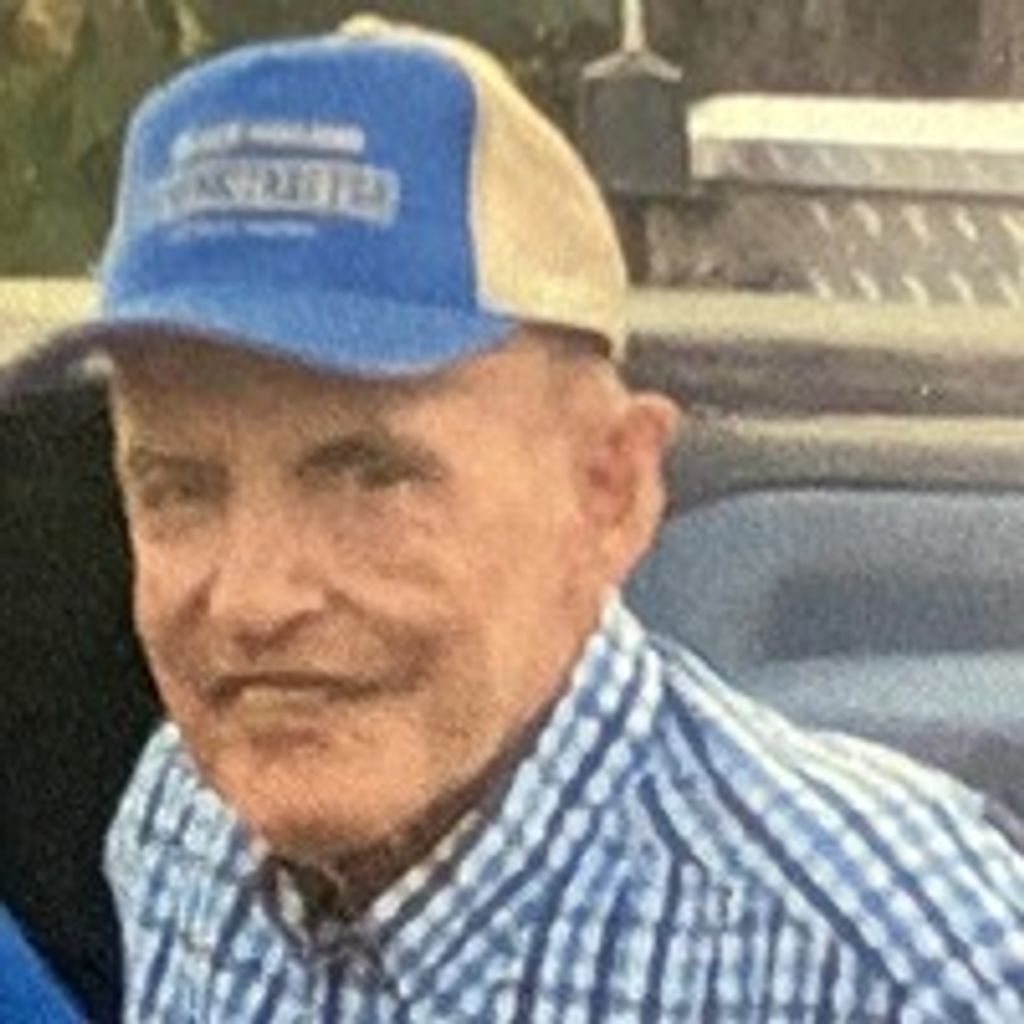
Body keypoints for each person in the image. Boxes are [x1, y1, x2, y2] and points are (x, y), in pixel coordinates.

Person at [11, 15, 1024, 1022]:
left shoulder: (886, 964)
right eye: (179, 487)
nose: (252, 601)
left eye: (372, 475)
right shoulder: (187, 819)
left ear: (607, 492)